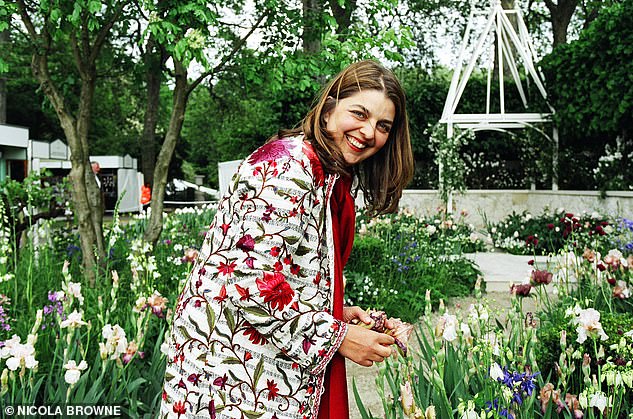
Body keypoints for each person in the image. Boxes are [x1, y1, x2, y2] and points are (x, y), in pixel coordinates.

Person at [161, 60, 414, 419]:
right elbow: (246, 280)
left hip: (255, 369)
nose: (369, 132)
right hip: (229, 376)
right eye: (359, 113)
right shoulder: (287, 166)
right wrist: (338, 337)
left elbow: (284, 269)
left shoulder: (323, 172)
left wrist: (334, 311)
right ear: (328, 110)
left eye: (383, 125)